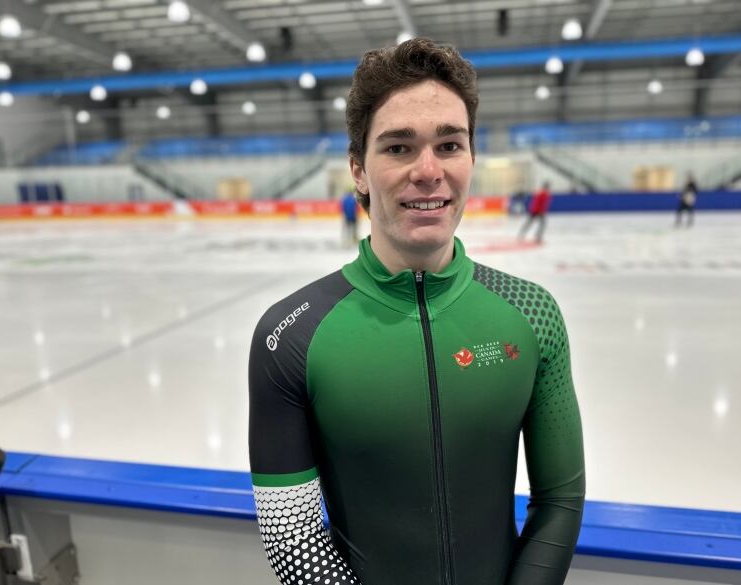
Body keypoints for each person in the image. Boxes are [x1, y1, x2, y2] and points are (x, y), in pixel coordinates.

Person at [249, 38, 585, 585]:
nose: (428, 171)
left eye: (449, 145)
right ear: (358, 169)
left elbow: (560, 502)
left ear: (471, 157)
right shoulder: (290, 336)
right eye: (399, 148)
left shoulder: (532, 315)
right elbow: (291, 532)